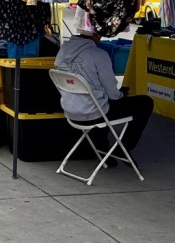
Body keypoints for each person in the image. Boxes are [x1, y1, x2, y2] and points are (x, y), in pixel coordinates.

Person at [53, 32, 154, 160]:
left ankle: (103, 149)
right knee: (145, 102)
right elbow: (113, 94)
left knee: (99, 99)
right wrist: (121, 93)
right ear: (96, 35)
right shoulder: (98, 54)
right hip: (94, 113)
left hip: (70, 111)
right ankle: (124, 147)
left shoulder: (62, 51)